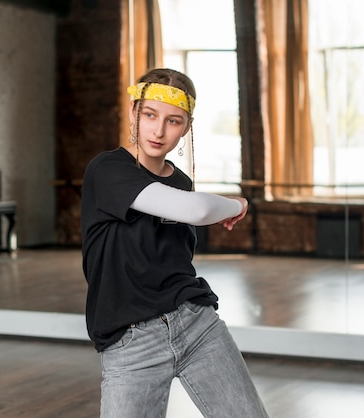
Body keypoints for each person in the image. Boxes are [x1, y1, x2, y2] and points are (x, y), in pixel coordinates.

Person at [80, 68, 269, 417]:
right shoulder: (107, 170)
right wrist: (238, 204)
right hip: (132, 340)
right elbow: (197, 210)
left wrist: (216, 208)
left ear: (186, 127)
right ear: (134, 111)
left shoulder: (180, 181)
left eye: (174, 121)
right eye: (150, 114)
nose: (158, 130)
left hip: (196, 323)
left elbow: (179, 244)